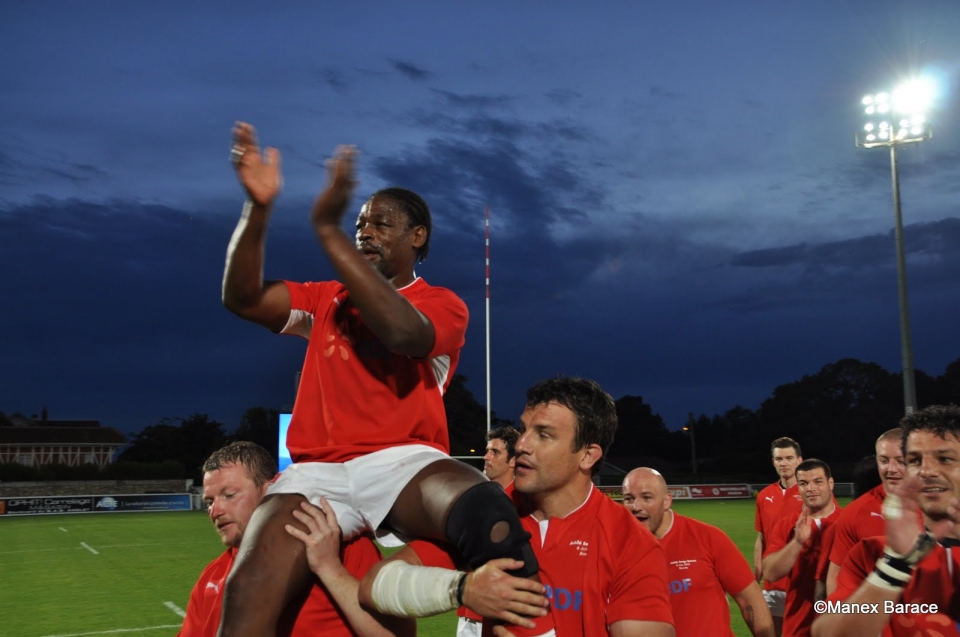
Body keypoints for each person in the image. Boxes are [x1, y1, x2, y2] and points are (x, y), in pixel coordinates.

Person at [220, 123, 549, 637]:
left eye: (381, 223)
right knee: (247, 588)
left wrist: (329, 232)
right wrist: (257, 208)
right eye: (358, 224)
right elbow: (241, 298)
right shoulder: (326, 297)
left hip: (402, 463)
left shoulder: (443, 303)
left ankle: (534, 632)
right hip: (317, 473)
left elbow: (402, 334)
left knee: (487, 510)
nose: (364, 231)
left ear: (417, 237)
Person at [357, 376, 676, 637]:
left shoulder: (633, 546)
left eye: (544, 435)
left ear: (588, 455)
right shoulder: (485, 512)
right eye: (524, 429)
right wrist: (461, 588)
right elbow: (376, 583)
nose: (522, 444)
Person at [177, 441, 412, 637]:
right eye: (209, 502)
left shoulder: (338, 546)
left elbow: (398, 633)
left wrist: (329, 568)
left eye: (229, 495)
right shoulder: (212, 578)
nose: (215, 511)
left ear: (271, 491)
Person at [811, 405, 960, 637]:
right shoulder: (871, 553)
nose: (926, 470)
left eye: (945, 458)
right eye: (914, 460)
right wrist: (896, 566)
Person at [621, 467, 774, 637]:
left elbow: (749, 598)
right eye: (629, 499)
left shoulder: (707, 538)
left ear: (666, 501)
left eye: (646, 498)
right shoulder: (616, 551)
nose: (636, 507)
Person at [762, 459, 841, 637]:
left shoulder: (848, 522)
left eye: (818, 482)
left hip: (841, 622)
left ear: (830, 483)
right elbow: (770, 573)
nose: (811, 488)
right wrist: (797, 543)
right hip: (799, 623)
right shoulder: (787, 525)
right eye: (804, 483)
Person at [457, 425, 522, 636]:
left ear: (513, 461)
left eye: (495, 452)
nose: (486, 457)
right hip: (469, 609)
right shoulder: (476, 497)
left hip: (502, 614)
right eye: (487, 451)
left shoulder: (524, 504)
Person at [823, 429, 904, 595]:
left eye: (900, 461)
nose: (891, 468)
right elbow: (836, 576)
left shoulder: (938, 507)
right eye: (884, 460)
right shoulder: (856, 512)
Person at [755, 437, 804, 636]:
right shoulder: (764, 495)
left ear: (799, 460)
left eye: (789, 458)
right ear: (773, 462)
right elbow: (762, 538)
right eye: (779, 459)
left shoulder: (811, 493)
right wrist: (756, 576)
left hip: (800, 584)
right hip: (772, 584)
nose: (784, 463)